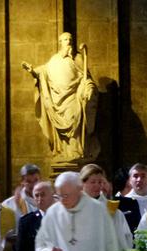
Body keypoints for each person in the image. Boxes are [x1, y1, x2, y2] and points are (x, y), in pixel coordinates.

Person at [21, 32, 98, 162]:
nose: (68, 41)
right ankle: (64, 152)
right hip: (58, 100)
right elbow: (43, 72)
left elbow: (87, 79)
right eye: (65, 39)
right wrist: (32, 71)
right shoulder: (54, 60)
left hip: (74, 98)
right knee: (62, 127)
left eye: (70, 39)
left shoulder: (78, 58)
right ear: (60, 42)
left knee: (74, 120)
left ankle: (76, 152)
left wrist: (89, 88)